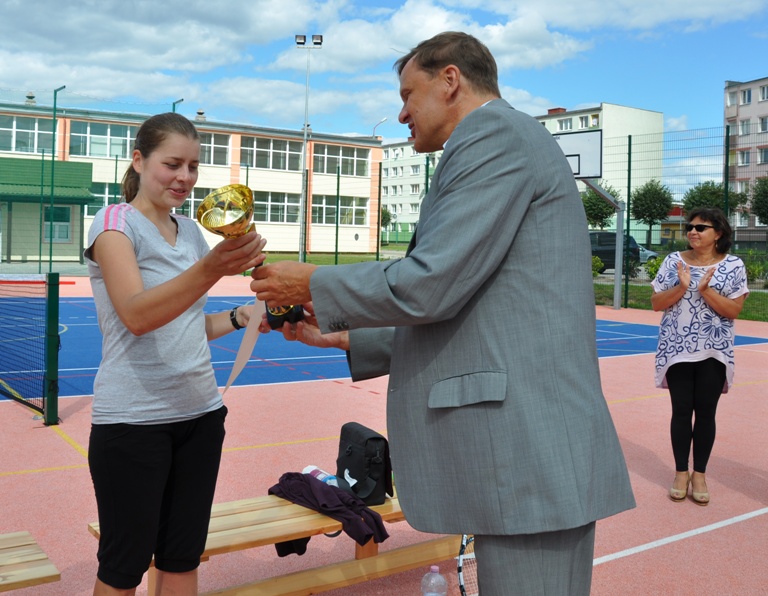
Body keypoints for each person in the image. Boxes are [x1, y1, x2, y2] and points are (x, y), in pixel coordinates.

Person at [251, 32, 635, 595]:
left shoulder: (495, 136)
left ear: (450, 80)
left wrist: (314, 281)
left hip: (526, 455)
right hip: (524, 456)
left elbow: (433, 283)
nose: (402, 113)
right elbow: (479, 308)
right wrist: (344, 337)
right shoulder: (497, 140)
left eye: (408, 94)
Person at [84, 112, 266, 595]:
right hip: (134, 423)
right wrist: (212, 269)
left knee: (182, 559)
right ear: (139, 161)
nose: (184, 177)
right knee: (123, 567)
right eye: (172, 164)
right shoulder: (113, 224)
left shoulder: (190, 231)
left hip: (200, 416)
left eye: (193, 166)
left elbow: (186, 324)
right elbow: (137, 315)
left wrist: (239, 317)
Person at [651, 207, 748, 506]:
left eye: (701, 227)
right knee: (681, 411)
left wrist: (705, 290)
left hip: (714, 350)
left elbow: (733, 310)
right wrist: (682, 287)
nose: (693, 231)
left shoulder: (733, 265)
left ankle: (700, 475)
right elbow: (656, 303)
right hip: (677, 348)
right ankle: (681, 473)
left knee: (706, 413)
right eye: (690, 227)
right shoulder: (673, 261)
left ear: (718, 233)